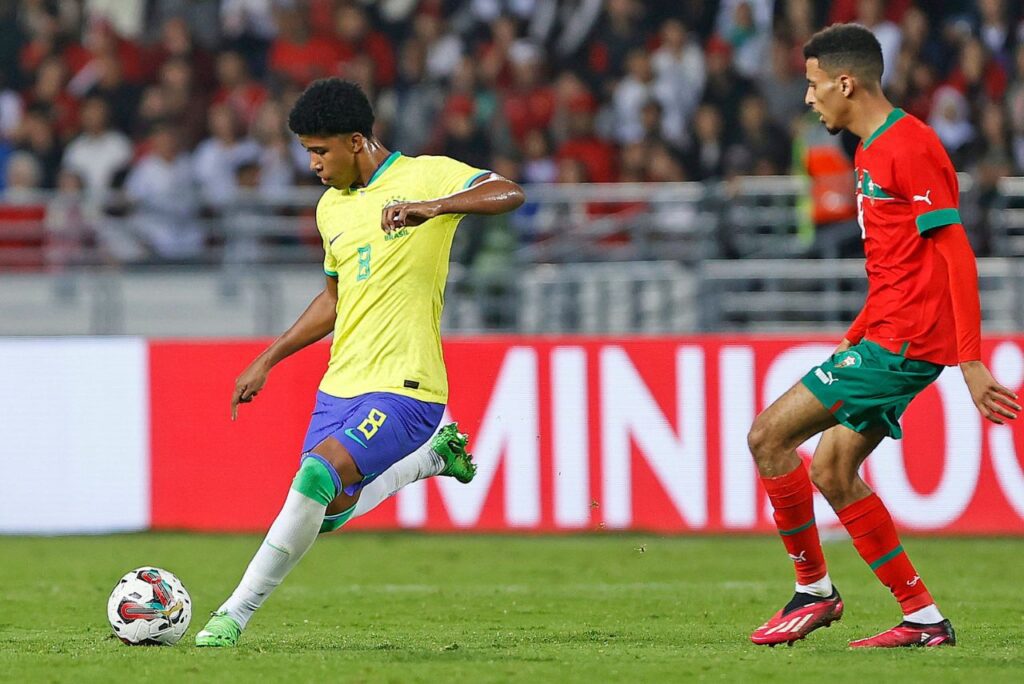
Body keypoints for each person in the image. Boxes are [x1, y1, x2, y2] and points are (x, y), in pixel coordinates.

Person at [195, 78, 525, 647]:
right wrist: (267, 359)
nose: (314, 165)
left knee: (316, 476)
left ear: (355, 141)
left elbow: (509, 191)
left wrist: (436, 208)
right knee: (326, 509)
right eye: (307, 153)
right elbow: (333, 299)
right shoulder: (331, 210)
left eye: (320, 151)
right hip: (340, 385)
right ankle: (434, 460)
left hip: (409, 386)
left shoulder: (425, 174)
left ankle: (232, 615)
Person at [747, 24, 1019, 648]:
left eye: (814, 85)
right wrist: (858, 329)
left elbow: (955, 255)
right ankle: (923, 618)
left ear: (847, 82)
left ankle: (813, 591)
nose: (809, 99)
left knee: (768, 436)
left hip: (904, 346)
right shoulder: (869, 150)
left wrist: (970, 362)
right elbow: (897, 265)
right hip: (885, 336)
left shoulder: (911, 146)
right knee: (835, 470)